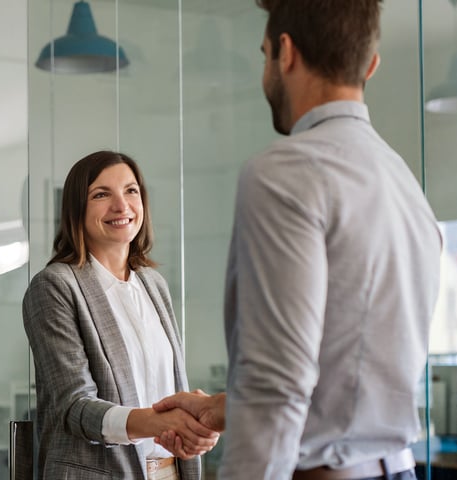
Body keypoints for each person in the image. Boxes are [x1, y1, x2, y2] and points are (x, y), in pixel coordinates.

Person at [153, 1, 442, 479]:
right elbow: (354, 364)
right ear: (370, 65)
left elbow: (276, 384)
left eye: (265, 53)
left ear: (284, 53)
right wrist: (228, 406)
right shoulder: (404, 182)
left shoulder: (284, 173)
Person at [22, 150, 219, 480]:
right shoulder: (54, 286)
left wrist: (192, 422)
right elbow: (75, 407)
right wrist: (160, 422)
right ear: (76, 209)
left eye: (131, 190)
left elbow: (160, 388)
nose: (121, 205)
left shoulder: (153, 284)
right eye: (101, 194)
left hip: (170, 472)